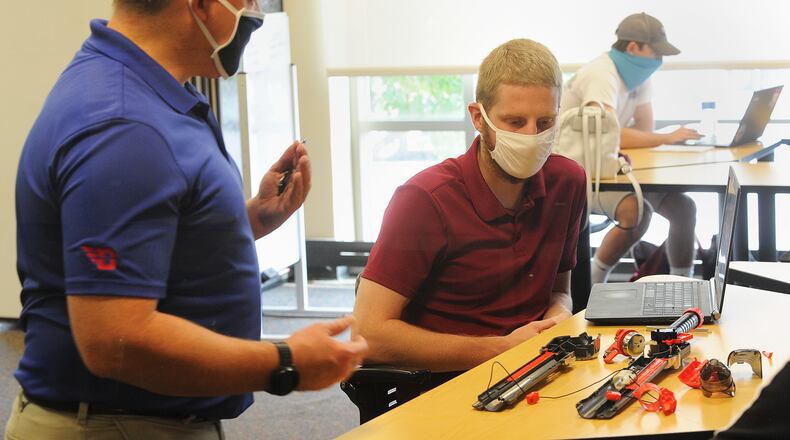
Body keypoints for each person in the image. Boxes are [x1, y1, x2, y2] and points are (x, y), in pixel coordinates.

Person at [8, 1, 366, 438]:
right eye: (248, 0)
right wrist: (285, 362)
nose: (255, 11)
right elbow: (113, 340)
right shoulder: (125, 124)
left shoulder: (152, 89)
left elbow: (153, 235)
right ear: (199, 4)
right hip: (116, 426)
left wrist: (251, 219)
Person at [353, 39, 587, 376]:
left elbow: (559, 290)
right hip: (447, 379)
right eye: (515, 122)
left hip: (535, 368)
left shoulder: (567, 181)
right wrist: (502, 350)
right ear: (478, 117)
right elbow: (367, 336)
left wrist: (557, 316)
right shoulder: (425, 199)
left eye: (545, 123)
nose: (531, 137)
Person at [561, 12, 700, 283]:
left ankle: (683, 285)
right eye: (656, 52)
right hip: (583, 174)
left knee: (684, 209)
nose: (659, 60)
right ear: (633, 47)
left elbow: (644, 129)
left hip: (612, 167)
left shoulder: (637, 76)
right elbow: (607, 135)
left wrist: (658, 137)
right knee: (636, 212)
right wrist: (666, 138)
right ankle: (593, 286)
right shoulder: (602, 75)